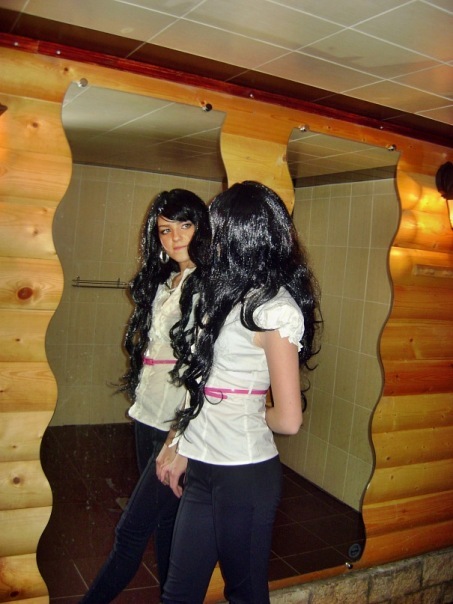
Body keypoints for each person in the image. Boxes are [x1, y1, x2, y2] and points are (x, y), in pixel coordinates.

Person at [158, 181, 322, 604]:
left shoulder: (275, 310)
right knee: (178, 593)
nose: (207, 238)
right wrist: (181, 443)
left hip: (244, 475)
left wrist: (243, 409)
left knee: (245, 593)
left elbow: (289, 419)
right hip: (203, 468)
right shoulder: (223, 296)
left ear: (240, 236)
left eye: (215, 228)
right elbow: (200, 383)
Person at [80, 188, 210, 603]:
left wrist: (180, 437)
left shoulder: (206, 286)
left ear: (202, 227)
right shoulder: (167, 280)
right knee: (165, 522)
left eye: (185, 225)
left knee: (131, 531)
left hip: (177, 424)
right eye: (165, 230)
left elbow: (204, 371)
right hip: (147, 413)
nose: (175, 238)